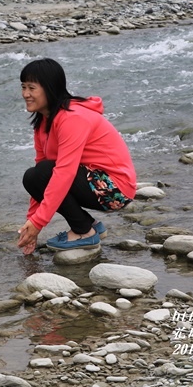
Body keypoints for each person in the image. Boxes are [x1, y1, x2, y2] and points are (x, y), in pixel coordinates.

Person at [16, 58, 137, 254]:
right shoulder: (42, 124)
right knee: (34, 174)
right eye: (23, 87)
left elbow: (63, 172)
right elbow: (38, 180)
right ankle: (90, 226)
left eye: (31, 88)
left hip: (116, 189)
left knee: (44, 172)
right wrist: (32, 224)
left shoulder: (73, 118)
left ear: (49, 88)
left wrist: (39, 222)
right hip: (94, 182)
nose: (25, 94)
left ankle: (84, 233)